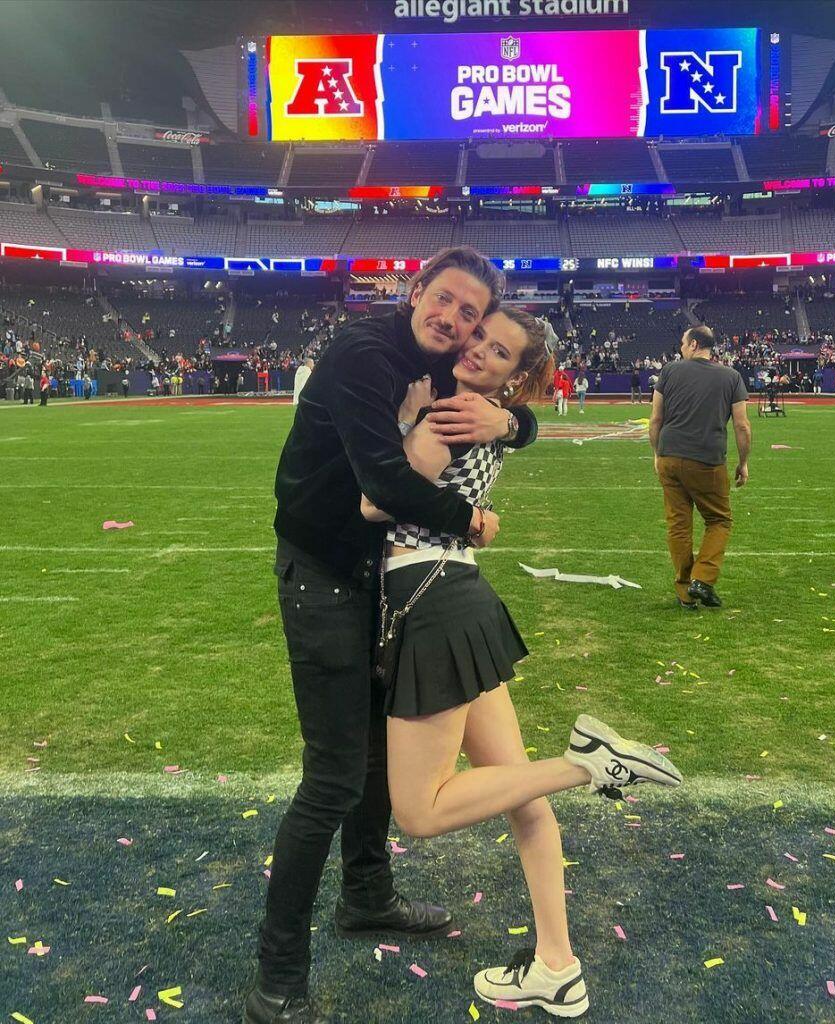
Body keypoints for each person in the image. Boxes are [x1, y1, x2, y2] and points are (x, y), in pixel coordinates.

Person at [246, 248, 541, 1024]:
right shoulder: (365, 352)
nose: (453, 320)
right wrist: (471, 521)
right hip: (322, 569)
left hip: (375, 577)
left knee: (376, 752)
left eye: (469, 313)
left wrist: (512, 422)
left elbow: (502, 404)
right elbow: (382, 485)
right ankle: (277, 976)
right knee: (334, 776)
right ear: (416, 291)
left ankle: (367, 896)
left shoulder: (440, 362)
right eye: (444, 300)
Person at [361, 308, 681, 1017]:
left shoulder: (449, 415)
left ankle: (587, 765)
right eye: (479, 336)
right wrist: (500, 426)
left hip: (429, 599)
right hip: (460, 594)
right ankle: (557, 967)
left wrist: (406, 422)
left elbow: (371, 505)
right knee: (523, 801)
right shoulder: (488, 415)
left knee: (418, 810)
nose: (477, 349)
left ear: (513, 375)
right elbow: (506, 438)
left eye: (498, 351)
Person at [648, 326, 751, 610]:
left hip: (670, 455)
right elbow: (742, 425)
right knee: (719, 520)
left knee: (678, 525)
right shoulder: (731, 376)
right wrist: (743, 462)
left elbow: (655, 419)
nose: (681, 347)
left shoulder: (669, 371)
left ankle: (684, 591)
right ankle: (702, 579)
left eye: (683, 343)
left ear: (693, 344)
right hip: (707, 459)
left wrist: (657, 453)